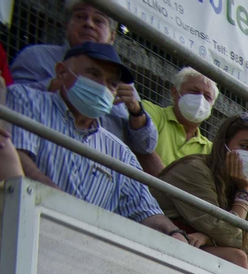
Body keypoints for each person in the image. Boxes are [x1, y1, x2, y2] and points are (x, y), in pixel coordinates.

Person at [8, 43, 185, 242]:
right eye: (93, 74)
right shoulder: (25, 100)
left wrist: (175, 234)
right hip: (24, 232)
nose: (102, 86)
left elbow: (146, 212)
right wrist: (65, 209)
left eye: (111, 83)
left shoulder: (120, 152)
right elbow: (16, 158)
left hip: (85, 255)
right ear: (61, 72)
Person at [11, 1, 157, 158]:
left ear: (112, 36)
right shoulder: (36, 57)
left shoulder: (123, 84)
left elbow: (146, 146)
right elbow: (10, 104)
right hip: (41, 154)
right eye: (80, 17)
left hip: (102, 172)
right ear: (67, 26)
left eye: (98, 20)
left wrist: (136, 111)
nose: (88, 24)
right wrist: (60, 84)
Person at [159, 112, 248, 274]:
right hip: (160, 234)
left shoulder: (234, 182)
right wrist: (245, 191)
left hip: (192, 241)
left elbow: (243, 241)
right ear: (223, 145)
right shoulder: (195, 169)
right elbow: (231, 237)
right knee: (236, 257)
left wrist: (209, 237)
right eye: (245, 147)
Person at [138, 67, 217, 174]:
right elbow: (142, 148)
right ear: (175, 92)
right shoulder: (150, 111)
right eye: (194, 91)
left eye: (207, 97)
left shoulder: (210, 149)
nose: (200, 100)